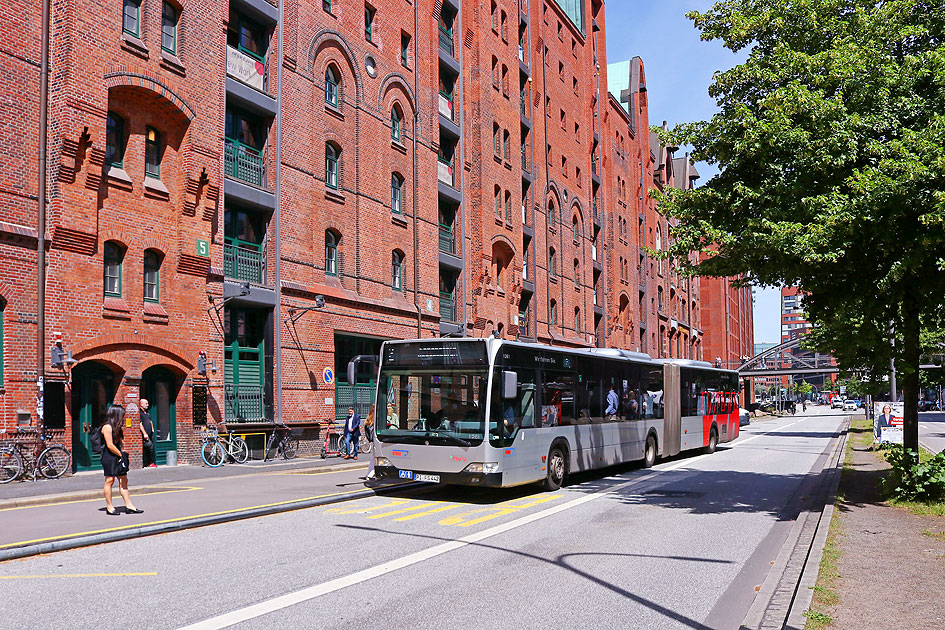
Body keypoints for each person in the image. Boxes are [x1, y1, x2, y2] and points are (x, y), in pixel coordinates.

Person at [100, 404, 143, 516]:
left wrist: (122, 454)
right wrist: (121, 455)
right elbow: (109, 445)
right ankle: (110, 507)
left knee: (124, 479)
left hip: (118, 455)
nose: (123, 417)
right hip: (109, 456)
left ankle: (129, 506)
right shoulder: (107, 427)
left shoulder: (117, 427)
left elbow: (119, 442)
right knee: (110, 480)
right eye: (122, 415)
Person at [139, 398, 156, 468]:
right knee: (149, 447)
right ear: (141, 404)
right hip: (145, 435)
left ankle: (148, 462)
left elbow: (150, 421)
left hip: (150, 433)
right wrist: (144, 433)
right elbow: (140, 424)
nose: (147, 405)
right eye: (146, 403)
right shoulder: (139, 413)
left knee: (149, 448)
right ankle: (148, 462)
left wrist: (152, 429)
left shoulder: (147, 412)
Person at [365, 404, 376, 480]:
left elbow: (366, 431)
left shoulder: (368, 418)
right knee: (375, 458)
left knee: (373, 457)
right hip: (376, 440)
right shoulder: (376, 418)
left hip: (372, 441)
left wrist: (369, 439)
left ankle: (372, 473)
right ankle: (370, 474)